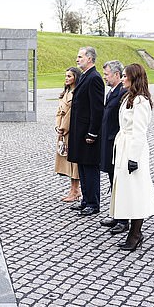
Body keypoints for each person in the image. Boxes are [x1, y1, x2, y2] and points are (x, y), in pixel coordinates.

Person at [110, 63, 154, 251]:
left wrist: (133, 158)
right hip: (124, 146)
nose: (122, 78)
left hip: (133, 149)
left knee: (135, 191)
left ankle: (136, 233)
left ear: (134, 78)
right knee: (127, 190)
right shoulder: (129, 98)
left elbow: (139, 132)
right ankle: (133, 231)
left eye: (125, 76)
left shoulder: (141, 101)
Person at [68, 47, 104, 216]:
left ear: (89, 59)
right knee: (82, 167)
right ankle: (85, 200)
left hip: (88, 134)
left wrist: (92, 133)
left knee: (90, 168)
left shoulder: (95, 78)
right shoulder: (85, 77)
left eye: (80, 56)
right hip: (79, 131)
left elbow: (97, 109)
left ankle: (93, 203)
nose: (77, 59)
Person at [99, 60, 129, 235]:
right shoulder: (112, 92)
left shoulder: (123, 93)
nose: (105, 77)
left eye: (107, 74)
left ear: (117, 75)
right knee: (113, 181)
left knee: (119, 182)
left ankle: (124, 220)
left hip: (117, 143)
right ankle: (117, 214)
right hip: (110, 143)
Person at [54, 67, 82, 202]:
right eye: (66, 76)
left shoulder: (76, 93)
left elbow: (71, 114)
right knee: (66, 160)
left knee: (74, 162)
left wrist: (63, 128)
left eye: (69, 76)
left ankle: (75, 190)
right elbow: (59, 111)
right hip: (62, 130)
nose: (66, 78)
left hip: (70, 131)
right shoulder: (66, 92)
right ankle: (73, 189)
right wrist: (57, 126)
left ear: (75, 78)